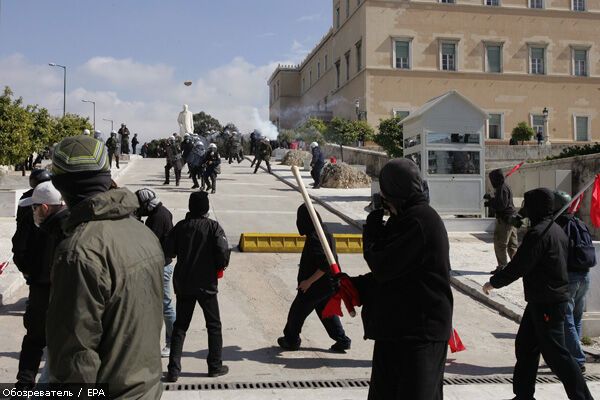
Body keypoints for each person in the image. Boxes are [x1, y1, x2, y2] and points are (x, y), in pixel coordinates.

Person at [46, 135, 164, 398]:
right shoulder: (142, 233)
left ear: (60, 185)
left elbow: (75, 359)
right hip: (147, 388)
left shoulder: (78, 252)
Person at [483, 188, 593, 400]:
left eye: (527, 205)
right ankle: (524, 395)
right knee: (525, 346)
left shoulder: (539, 234)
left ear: (536, 207)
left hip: (549, 302)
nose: (525, 210)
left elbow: (519, 266)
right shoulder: (554, 229)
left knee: (556, 355)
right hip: (540, 299)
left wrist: (494, 283)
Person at [360, 158, 453, 400]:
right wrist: (355, 286)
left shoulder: (420, 220)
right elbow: (396, 275)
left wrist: (370, 235)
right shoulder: (403, 219)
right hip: (397, 331)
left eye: (385, 194)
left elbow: (382, 265)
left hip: (420, 334)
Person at [163, 191, 231, 382]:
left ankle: (173, 370)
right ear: (206, 208)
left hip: (184, 284)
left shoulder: (181, 227)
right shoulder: (213, 227)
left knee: (180, 327)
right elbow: (222, 252)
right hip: (206, 284)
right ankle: (215, 366)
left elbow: (169, 251)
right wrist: (219, 266)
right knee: (214, 325)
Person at [277, 204, 351, 353]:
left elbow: (325, 265)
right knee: (326, 313)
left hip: (317, 286)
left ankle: (291, 340)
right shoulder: (323, 232)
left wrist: (307, 282)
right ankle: (342, 340)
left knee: (297, 313)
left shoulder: (316, 237)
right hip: (329, 284)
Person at [10, 171, 58, 391]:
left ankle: (24, 388)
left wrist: (29, 272)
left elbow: (20, 246)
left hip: (41, 285)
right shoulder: (74, 217)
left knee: (35, 340)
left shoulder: (37, 212)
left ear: (44, 208)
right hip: (58, 286)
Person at [554, 191, 596, 373]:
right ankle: (572, 355)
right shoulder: (579, 223)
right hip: (585, 276)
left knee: (566, 319)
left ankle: (577, 360)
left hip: (569, 278)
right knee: (576, 318)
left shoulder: (558, 225)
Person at [135, 188, 176, 359]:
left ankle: (171, 342)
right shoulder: (160, 212)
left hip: (161, 266)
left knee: (165, 305)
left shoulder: (158, 217)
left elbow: (150, 242)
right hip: (160, 265)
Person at [484, 169, 518, 274]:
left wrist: (490, 202)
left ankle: (502, 268)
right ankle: (516, 267)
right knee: (512, 246)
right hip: (512, 219)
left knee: (500, 244)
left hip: (505, 220)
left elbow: (501, 205)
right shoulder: (504, 186)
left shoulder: (502, 188)